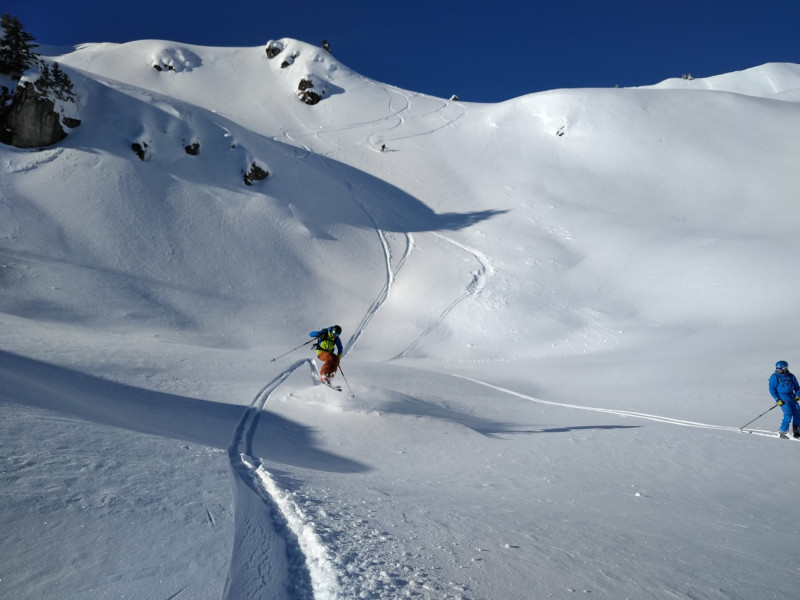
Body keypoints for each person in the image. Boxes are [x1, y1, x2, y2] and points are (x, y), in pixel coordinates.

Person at [768, 360, 800, 439]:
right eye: (777, 368)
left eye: (780, 368)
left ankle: (797, 431)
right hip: (782, 397)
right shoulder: (774, 377)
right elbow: (772, 389)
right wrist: (777, 399)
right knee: (788, 414)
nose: (778, 370)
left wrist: (798, 395)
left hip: (791, 397)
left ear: (785, 368)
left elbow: (797, 387)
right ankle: (782, 431)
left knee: (797, 413)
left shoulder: (791, 376)